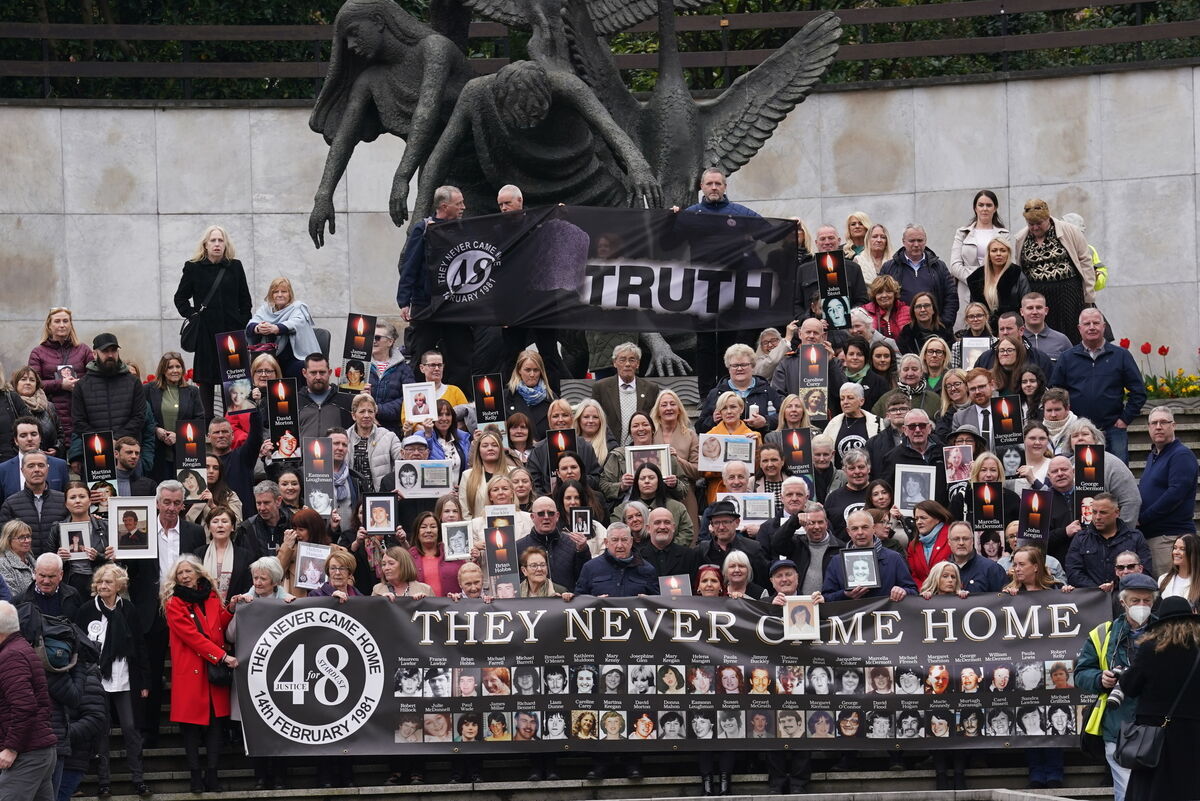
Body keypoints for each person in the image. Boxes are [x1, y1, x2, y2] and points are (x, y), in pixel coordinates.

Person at [1075, 572, 1158, 801]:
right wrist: (1100, 679)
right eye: (1135, 600)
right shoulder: (1103, 633)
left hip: (1157, 725)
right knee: (1126, 792)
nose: (1142, 605)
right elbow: (1081, 673)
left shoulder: (1166, 632)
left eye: (1147, 600)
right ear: (1123, 602)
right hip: (1118, 725)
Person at [161, 555, 236, 793]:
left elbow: (219, 626)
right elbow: (192, 637)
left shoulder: (212, 596)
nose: (184, 576)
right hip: (192, 671)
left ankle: (212, 775)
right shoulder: (174, 603)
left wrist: (231, 609)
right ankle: (195, 776)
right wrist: (222, 656)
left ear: (198, 574)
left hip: (212, 671)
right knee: (191, 727)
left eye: (188, 572)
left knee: (216, 725)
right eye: (180, 573)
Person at [74, 563, 149, 797]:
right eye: (100, 582)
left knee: (130, 727)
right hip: (96, 679)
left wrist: (144, 681)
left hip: (125, 676)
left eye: (108, 582)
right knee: (101, 730)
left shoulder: (128, 609)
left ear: (120, 585)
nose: (103, 586)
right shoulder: (87, 610)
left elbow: (139, 645)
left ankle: (138, 778)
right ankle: (104, 781)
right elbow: (78, 645)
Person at [1118, 596, 1200, 801]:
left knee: (1155, 789)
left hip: (1155, 734)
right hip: (1194, 730)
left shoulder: (1151, 647)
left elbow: (1130, 686)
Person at [396, 186, 474, 390]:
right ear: (444, 206)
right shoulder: (422, 229)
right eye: (459, 204)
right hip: (426, 304)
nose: (463, 207)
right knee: (422, 356)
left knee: (461, 357)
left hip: (455, 306)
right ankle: (419, 407)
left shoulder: (463, 229)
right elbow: (409, 265)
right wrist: (404, 301)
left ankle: (459, 405)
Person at [172, 225, 252, 419]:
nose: (217, 244)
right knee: (206, 382)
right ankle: (208, 429)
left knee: (235, 382)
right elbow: (180, 298)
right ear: (205, 245)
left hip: (232, 334)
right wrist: (193, 316)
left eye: (220, 240)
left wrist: (241, 323)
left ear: (226, 244)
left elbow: (245, 301)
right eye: (213, 240)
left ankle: (236, 426)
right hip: (206, 333)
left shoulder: (235, 266)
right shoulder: (193, 267)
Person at [1013, 199, 1095, 344]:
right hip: (1038, 295)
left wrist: (1088, 296)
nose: (1035, 227)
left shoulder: (1069, 231)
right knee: (1041, 334)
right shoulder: (1021, 238)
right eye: (1031, 224)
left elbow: (1085, 261)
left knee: (1071, 334)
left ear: (1048, 218)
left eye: (1039, 223)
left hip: (1068, 293)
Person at [0, 599, 58, 800]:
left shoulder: (11, 656)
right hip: (38, 750)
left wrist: (11, 748)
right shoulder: (20, 648)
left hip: (27, 753)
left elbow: (24, 707)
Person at [67, 333, 146, 468]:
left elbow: (139, 416)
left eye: (113, 350)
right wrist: (104, 441)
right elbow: (79, 421)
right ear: (94, 353)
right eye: (105, 351)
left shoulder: (133, 382)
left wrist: (118, 440)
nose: (110, 355)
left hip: (128, 454)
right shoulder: (82, 385)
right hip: (95, 452)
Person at [1138, 407, 1199, 577]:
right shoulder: (1154, 456)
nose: (1158, 426)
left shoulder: (1181, 455)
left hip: (1171, 539)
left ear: (1174, 426)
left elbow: (1175, 495)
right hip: (1155, 537)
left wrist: (1142, 518)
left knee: (1172, 595)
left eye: (1163, 422)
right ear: (1149, 427)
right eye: (1154, 423)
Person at [28, 307, 93, 446]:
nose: (62, 325)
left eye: (65, 321)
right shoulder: (38, 352)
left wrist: (79, 384)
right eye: (57, 321)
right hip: (52, 414)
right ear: (49, 325)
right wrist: (60, 384)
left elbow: (94, 379)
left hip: (81, 411)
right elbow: (33, 384)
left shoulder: (84, 350)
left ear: (71, 324)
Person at [823, 509, 916, 602]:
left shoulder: (894, 558)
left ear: (873, 528)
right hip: (851, 615)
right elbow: (826, 597)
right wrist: (844, 594)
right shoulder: (837, 561)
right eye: (855, 528)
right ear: (848, 531)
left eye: (865, 527)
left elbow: (913, 591)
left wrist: (903, 591)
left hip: (884, 615)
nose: (860, 532)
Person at [1065, 493, 1151, 590]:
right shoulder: (1081, 538)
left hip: (1126, 595)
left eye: (1103, 512)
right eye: (1094, 512)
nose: (1097, 517)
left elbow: (1145, 571)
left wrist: (1116, 585)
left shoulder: (1135, 537)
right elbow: (1073, 572)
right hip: (1091, 599)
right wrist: (1098, 589)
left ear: (1117, 512)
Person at [880, 224, 958, 329]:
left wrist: (943, 324)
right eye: (912, 241)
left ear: (925, 241)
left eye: (920, 240)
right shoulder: (889, 268)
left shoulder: (939, 267)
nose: (916, 244)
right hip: (900, 330)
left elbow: (951, 298)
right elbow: (880, 298)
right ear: (903, 242)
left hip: (935, 329)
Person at [950, 190, 1009, 327]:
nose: (984, 209)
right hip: (967, 290)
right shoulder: (962, 233)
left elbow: (1007, 265)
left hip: (995, 290)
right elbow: (955, 266)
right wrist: (978, 280)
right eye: (981, 205)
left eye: (989, 205)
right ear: (975, 208)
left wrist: (990, 281)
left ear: (995, 208)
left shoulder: (1003, 234)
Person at [245, 276, 320, 379]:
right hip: (271, 356)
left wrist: (276, 328)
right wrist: (258, 328)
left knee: (299, 368)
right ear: (271, 295)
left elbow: (295, 323)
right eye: (276, 292)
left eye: (284, 291)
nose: (280, 295)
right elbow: (251, 325)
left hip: (295, 357)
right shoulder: (265, 308)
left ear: (290, 294)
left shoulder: (298, 307)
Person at [590, 343, 663, 446]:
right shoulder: (601, 388)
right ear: (615, 363)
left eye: (632, 360)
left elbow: (656, 420)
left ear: (637, 364)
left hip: (642, 448)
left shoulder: (651, 389)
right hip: (609, 448)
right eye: (622, 360)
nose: (627, 364)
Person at [699, 344, 779, 436]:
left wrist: (766, 421)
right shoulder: (716, 393)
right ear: (728, 368)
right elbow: (700, 427)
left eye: (744, 365)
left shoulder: (767, 391)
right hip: (726, 446)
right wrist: (712, 420)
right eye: (735, 365)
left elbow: (782, 418)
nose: (739, 369)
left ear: (752, 366)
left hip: (759, 445)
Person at [0, 451, 67, 559]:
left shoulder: (64, 500)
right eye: (31, 466)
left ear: (47, 469)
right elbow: (5, 542)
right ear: (22, 470)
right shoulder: (10, 504)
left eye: (41, 465)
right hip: (24, 568)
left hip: (60, 567)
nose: (36, 469)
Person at [967, 234, 1031, 331]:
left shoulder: (1017, 274)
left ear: (1008, 254)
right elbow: (974, 306)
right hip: (985, 329)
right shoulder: (977, 277)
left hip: (1011, 327)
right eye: (994, 250)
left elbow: (1027, 303)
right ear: (988, 254)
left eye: (1003, 250)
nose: (998, 254)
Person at [575, 522, 657, 597]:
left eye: (624, 540)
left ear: (631, 541)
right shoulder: (590, 568)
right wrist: (595, 602)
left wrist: (648, 601)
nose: (620, 545)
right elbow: (579, 601)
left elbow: (658, 604)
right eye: (615, 540)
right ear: (606, 542)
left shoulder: (647, 570)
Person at [368, 320, 416, 435]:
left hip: (392, 430)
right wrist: (367, 411)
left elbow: (408, 400)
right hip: (363, 427)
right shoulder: (360, 365)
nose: (373, 341)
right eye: (371, 337)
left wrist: (378, 409)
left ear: (390, 342)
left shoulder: (404, 369)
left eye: (378, 337)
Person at [1158, 534, 1200, 607]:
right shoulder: (1163, 579)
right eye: (1175, 548)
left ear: (1194, 553)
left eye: (1182, 549)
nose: (1176, 552)